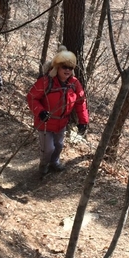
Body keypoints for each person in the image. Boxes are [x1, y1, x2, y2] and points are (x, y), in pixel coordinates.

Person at [27, 46, 89, 176]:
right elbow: (32, 98)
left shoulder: (74, 83)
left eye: (70, 68)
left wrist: (83, 121)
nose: (67, 70)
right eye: (64, 67)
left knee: (59, 146)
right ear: (57, 68)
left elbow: (80, 101)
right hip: (45, 122)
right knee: (48, 149)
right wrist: (41, 111)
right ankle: (44, 164)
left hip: (62, 123)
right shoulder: (46, 82)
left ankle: (54, 162)